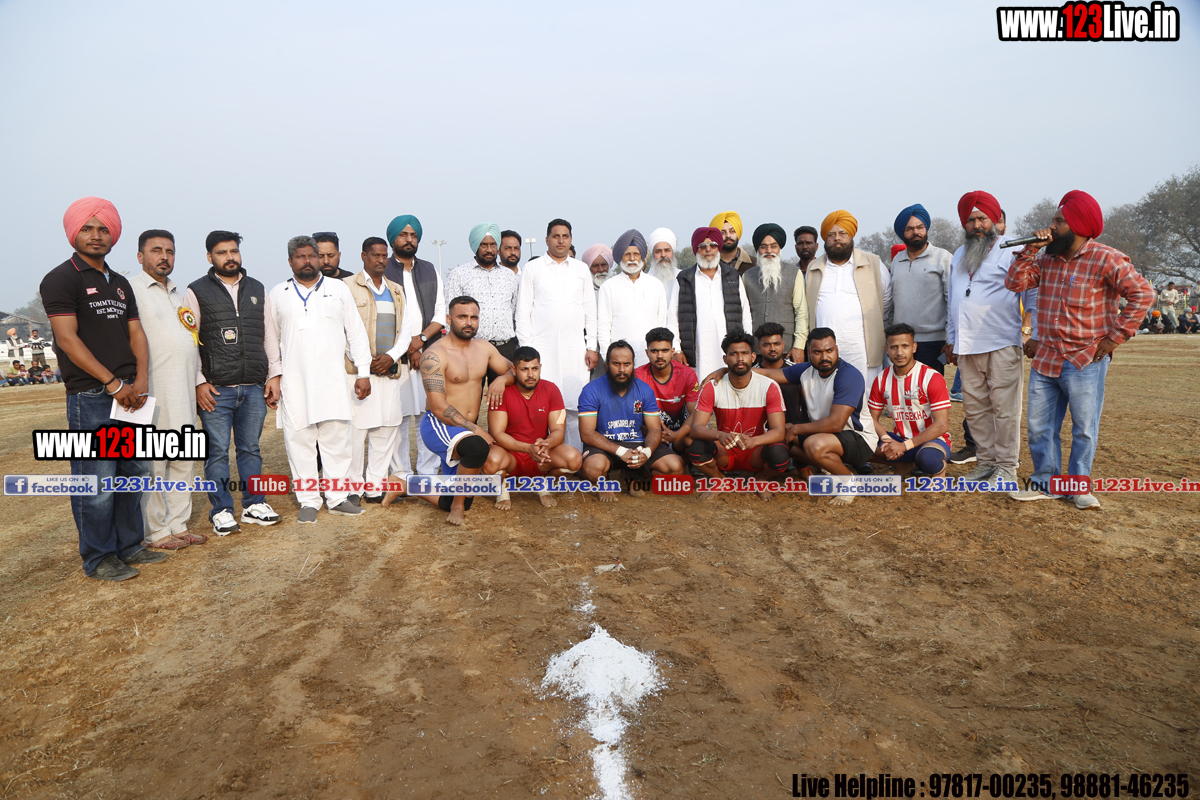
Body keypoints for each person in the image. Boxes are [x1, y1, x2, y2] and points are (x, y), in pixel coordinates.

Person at [1006, 190, 1153, 509]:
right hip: (1047, 356)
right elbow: (1015, 284)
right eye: (1053, 220)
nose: (1052, 227)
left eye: (1059, 221)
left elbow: (1143, 294)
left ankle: (1078, 487)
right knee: (1039, 426)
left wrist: (1115, 337)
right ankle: (1046, 483)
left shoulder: (1107, 259)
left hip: (1085, 359)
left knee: (1084, 428)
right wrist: (1030, 248)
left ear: (1080, 226)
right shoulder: (1046, 258)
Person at [41, 196, 163, 581]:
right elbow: (67, 339)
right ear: (73, 232)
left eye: (103, 229)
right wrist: (111, 383)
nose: (96, 235)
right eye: (87, 228)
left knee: (132, 475)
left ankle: (130, 546)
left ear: (114, 235)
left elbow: (136, 334)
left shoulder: (120, 282)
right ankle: (99, 558)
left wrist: (140, 379)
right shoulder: (61, 278)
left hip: (131, 396)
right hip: (92, 396)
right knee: (96, 484)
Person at [265, 236, 371, 522]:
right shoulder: (278, 293)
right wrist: (274, 374)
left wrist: (363, 371)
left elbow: (355, 332)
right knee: (299, 442)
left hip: (332, 380)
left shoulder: (338, 289)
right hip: (295, 382)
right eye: (301, 257)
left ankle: (337, 498)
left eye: (312, 255)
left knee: (337, 441)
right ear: (290, 261)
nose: (308, 261)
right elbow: (271, 338)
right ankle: (308, 501)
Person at [185, 231, 282, 535]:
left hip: (253, 387)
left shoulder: (257, 288)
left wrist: (274, 374)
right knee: (216, 452)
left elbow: (268, 334)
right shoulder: (196, 291)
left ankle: (254, 504)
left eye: (233, 251)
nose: (229, 257)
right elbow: (191, 340)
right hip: (216, 389)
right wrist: (199, 381)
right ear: (209, 257)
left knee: (250, 449)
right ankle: (222, 510)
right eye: (222, 252)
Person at [944, 191, 1036, 490]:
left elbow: (1031, 292)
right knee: (975, 409)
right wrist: (951, 338)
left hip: (1001, 341)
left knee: (1005, 410)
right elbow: (953, 298)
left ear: (995, 220)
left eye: (982, 218)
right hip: (967, 345)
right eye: (970, 220)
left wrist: (1030, 330)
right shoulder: (960, 253)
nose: (977, 225)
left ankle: (1006, 467)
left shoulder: (1014, 250)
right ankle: (985, 463)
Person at [130, 229, 203, 550]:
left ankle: (178, 524)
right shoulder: (131, 290)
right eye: (156, 250)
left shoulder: (177, 294)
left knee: (183, 460)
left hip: (183, 391)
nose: (164, 257)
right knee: (155, 463)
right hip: (152, 394)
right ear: (140, 256)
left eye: (169, 251)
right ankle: (156, 531)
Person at [416, 296, 514, 525]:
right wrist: (475, 429)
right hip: (439, 424)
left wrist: (501, 379)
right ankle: (457, 507)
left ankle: (403, 485)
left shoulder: (484, 348)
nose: (469, 322)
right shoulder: (434, 354)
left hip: (465, 431)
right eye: (462, 317)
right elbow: (438, 406)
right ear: (449, 319)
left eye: (473, 317)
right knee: (477, 448)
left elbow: (514, 370)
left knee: (455, 492)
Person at [756, 328, 878, 506]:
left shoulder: (848, 375)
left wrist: (796, 429)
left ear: (836, 349)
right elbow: (768, 374)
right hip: (826, 434)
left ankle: (849, 481)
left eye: (829, 350)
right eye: (817, 352)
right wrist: (729, 370)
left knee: (813, 444)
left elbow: (836, 424)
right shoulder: (805, 370)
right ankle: (828, 465)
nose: (824, 357)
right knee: (780, 433)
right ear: (809, 352)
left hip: (858, 438)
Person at [515, 218, 599, 451]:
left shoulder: (581, 269)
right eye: (556, 236)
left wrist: (591, 346)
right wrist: (528, 350)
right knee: (543, 405)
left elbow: (590, 310)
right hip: (542, 349)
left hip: (575, 349)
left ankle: (574, 458)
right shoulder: (533, 268)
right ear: (547, 240)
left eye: (565, 236)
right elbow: (523, 311)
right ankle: (543, 457)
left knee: (573, 405)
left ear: (570, 239)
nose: (560, 240)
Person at [344, 236, 409, 504]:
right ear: (364, 256)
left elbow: (406, 331)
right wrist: (364, 362)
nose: (381, 260)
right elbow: (344, 332)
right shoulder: (347, 287)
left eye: (384, 256)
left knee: (387, 427)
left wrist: (391, 357)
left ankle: (374, 487)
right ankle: (353, 488)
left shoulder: (396, 290)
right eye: (375, 255)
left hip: (389, 371)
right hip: (359, 373)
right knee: (356, 432)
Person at [687, 332, 790, 501]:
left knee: (780, 454)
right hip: (725, 451)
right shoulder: (713, 387)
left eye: (744, 353)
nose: (740, 358)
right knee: (697, 447)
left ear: (753, 357)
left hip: (755, 450)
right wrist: (719, 435)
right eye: (734, 354)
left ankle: (761, 479)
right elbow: (696, 429)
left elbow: (779, 432)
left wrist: (755, 441)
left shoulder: (769, 386)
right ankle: (719, 480)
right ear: (725, 359)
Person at [578, 341, 685, 501]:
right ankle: (604, 482)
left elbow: (655, 429)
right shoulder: (591, 390)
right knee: (593, 468)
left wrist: (647, 452)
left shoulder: (644, 389)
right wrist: (621, 451)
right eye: (616, 364)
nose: (622, 370)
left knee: (675, 468)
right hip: (605, 446)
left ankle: (633, 474)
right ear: (607, 365)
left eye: (627, 364)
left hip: (636, 444)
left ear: (633, 364)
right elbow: (586, 434)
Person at [383, 214, 446, 478]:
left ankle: (428, 472)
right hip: (394, 357)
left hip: (428, 353)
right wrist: (408, 349)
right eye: (403, 234)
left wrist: (420, 342)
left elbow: (440, 314)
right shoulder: (383, 271)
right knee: (398, 417)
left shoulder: (430, 269)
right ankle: (400, 475)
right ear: (392, 239)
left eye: (413, 235)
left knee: (427, 414)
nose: (409, 239)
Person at [803, 210, 893, 394]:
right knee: (826, 397)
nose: (837, 238)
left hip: (862, 349)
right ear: (825, 239)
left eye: (842, 233)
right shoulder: (814, 267)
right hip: (824, 350)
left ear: (851, 235)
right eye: (832, 234)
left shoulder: (873, 264)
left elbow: (886, 300)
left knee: (863, 396)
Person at [487, 345, 583, 509]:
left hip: (540, 454)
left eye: (535, 368)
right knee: (490, 460)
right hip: (510, 455)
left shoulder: (551, 389)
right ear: (514, 370)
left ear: (540, 368)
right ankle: (502, 489)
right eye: (524, 369)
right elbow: (497, 433)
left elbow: (558, 430)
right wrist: (527, 448)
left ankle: (542, 484)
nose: (531, 374)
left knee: (574, 459)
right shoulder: (501, 391)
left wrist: (548, 443)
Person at [668, 226, 752, 383]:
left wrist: (747, 345)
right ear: (696, 250)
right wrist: (677, 349)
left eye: (713, 245)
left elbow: (745, 313)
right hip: (697, 351)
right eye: (702, 246)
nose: (708, 250)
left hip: (730, 350)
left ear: (718, 248)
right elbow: (673, 317)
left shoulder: (733, 276)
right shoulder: (684, 279)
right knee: (699, 389)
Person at [868, 324, 952, 479]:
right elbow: (871, 418)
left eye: (905, 346)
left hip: (931, 441)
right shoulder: (881, 379)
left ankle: (938, 470)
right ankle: (904, 464)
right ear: (887, 349)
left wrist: (904, 446)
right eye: (894, 347)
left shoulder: (931, 377)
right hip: (899, 439)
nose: (899, 352)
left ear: (914, 347)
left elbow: (942, 424)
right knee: (860, 444)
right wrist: (886, 439)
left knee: (928, 459)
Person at [446, 222, 520, 374]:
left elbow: (514, 311)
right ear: (475, 246)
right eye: (484, 245)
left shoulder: (509, 275)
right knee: (470, 388)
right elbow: (450, 313)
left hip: (505, 347)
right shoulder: (459, 274)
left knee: (505, 388)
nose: (489, 250)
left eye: (493, 245)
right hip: (471, 346)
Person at [888, 204, 952, 374]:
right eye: (909, 229)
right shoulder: (897, 261)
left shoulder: (943, 258)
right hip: (901, 341)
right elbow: (891, 302)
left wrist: (952, 339)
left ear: (926, 229)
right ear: (902, 233)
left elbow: (952, 301)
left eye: (920, 227)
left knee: (928, 387)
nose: (915, 232)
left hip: (933, 342)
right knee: (901, 386)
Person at [597, 229, 668, 369]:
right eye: (627, 254)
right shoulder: (608, 286)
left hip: (651, 359)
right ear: (620, 257)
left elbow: (662, 322)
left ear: (642, 257)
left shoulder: (656, 285)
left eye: (636, 254)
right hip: (620, 361)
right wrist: (608, 358)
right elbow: (604, 326)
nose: (632, 259)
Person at [742, 223, 808, 361]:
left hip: (787, 350)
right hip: (756, 350)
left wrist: (799, 346)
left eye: (774, 246)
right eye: (763, 247)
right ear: (758, 249)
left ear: (779, 248)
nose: (769, 251)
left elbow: (801, 312)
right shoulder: (747, 276)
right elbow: (743, 313)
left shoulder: (794, 273)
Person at [634, 327, 700, 455]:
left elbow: (695, 413)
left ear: (672, 351)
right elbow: (633, 414)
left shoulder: (688, 374)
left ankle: (683, 459)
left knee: (696, 441)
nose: (660, 356)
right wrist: (654, 434)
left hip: (680, 433)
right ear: (647, 353)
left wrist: (678, 435)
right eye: (654, 351)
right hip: (649, 434)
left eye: (665, 350)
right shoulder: (637, 376)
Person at [754, 322, 806, 426]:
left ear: (783, 346)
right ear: (759, 348)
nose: (772, 348)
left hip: (795, 430)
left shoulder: (796, 370)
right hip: (764, 433)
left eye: (776, 344)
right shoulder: (753, 375)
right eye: (766, 345)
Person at [647, 228, 680, 303]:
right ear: (653, 255)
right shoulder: (645, 282)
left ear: (672, 253)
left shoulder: (683, 278)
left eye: (667, 250)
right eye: (658, 251)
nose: (663, 255)